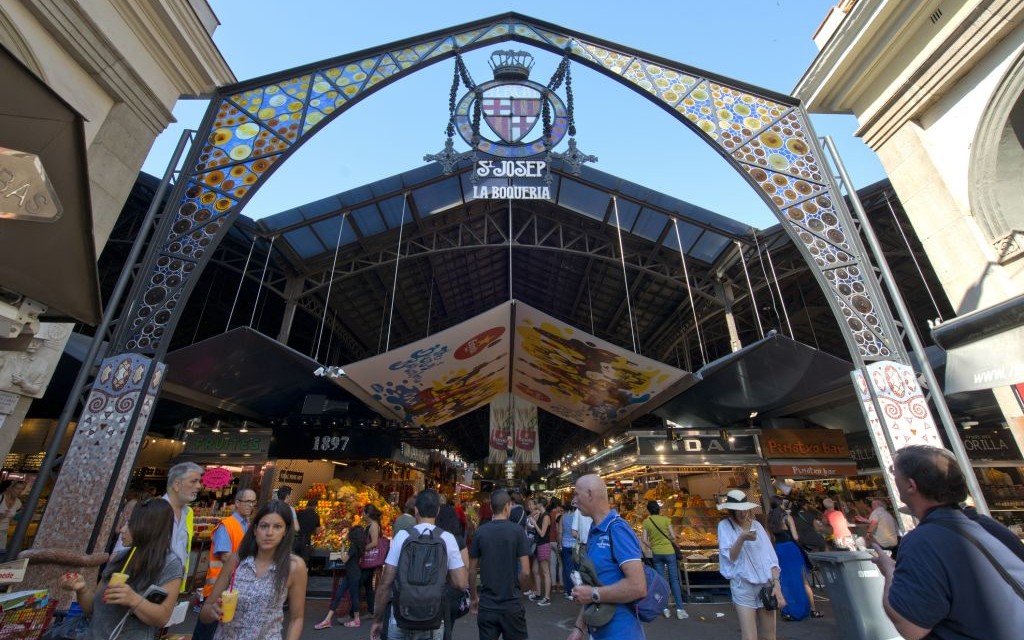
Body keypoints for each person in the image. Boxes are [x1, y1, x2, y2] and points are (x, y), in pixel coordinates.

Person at [870, 445, 1024, 639]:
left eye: (895, 475)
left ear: (911, 485)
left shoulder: (922, 541)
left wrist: (889, 571)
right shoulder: (988, 526)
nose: (894, 480)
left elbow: (910, 627)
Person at [59, 499, 184, 640]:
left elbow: (162, 618)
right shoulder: (120, 559)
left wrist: (133, 599)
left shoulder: (169, 564)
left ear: (147, 528)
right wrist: (81, 589)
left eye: (129, 524)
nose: (121, 530)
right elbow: (93, 610)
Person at [369, 488, 468, 640]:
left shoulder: (402, 536)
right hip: (434, 619)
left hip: (400, 617)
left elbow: (385, 583)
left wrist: (377, 619)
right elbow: (461, 583)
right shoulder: (447, 538)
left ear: (416, 510)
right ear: (438, 511)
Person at [200, 500, 307, 640]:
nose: (269, 533)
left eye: (277, 527)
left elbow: (296, 618)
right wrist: (212, 611)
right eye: (264, 526)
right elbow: (205, 613)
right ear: (255, 529)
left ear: (285, 531)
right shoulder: (237, 560)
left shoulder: (294, 566)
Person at [567, 474, 646, 640]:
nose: (573, 501)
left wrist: (594, 594)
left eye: (576, 494)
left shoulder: (617, 529)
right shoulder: (595, 530)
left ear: (589, 494)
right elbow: (593, 584)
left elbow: (638, 586)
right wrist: (579, 628)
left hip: (621, 633)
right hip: (598, 631)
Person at [717, 489, 785, 640]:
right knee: (749, 636)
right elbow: (730, 557)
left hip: (766, 584)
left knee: (770, 635)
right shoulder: (725, 526)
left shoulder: (758, 526)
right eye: (739, 510)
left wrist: (777, 584)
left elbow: (771, 557)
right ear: (731, 510)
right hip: (743, 585)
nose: (743, 513)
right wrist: (741, 538)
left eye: (745, 509)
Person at [193, 489, 258, 640]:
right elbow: (225, 556)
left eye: (253, 502)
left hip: (234, 589)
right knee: (208, 632)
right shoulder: (226, 525)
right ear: (237, 503)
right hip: (218, 590)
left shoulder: (248, 526)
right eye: (247, 501)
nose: (250, 505)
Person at [469, 489, 531, 640]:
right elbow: (525, 572)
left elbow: (471, 570)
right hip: (512, 605)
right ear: (507, 506)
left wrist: (474, 597)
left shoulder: (480, 532)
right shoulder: (517, 531)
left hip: (487, 605)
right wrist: (518, 590)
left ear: (491, 508)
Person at [766, 497, 819, 622]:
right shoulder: (787, 517)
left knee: (784, 580)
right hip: (791, 548)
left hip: (779, 550)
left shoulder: (769, 518)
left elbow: (769, 538)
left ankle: (786, 611)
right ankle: (812, 609)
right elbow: (795, 536)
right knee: (803, 580)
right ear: (781, 504)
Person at [641, 500, 686, 620]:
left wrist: (653, 546)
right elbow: (672, 535)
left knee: (661, 581)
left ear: (649, 510)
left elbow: (644, 539)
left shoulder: (647, 522)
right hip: (669, 552)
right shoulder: (666, 520)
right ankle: (680, 609)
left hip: (657, 554)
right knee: (674, 580)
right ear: (658, 509)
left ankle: (664, 608)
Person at [315, 524, 366, 629]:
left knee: (352, 596)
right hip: (353, 574)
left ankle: (356, 620)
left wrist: (342, 548)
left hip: (352, 575)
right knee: (340, 595)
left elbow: (344, 559)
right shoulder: (360, 547)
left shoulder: (353, 547)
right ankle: (327, 620)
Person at [436, 503, 470, 640]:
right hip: (453, 591)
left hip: (432, 589)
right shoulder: (457, 539)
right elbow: (466, 566)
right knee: (447, 628)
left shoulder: (433, 536)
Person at [528, 498, 553, 606]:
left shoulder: (546, 516)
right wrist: (534, 518)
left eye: (536, 503)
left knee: (545, 571)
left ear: (539, 504)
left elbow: (542, 533)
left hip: (543, 544)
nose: (534, 505)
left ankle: (547, 597)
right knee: (535, 570)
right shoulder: (541, 515)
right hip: (539, 545)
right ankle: (538, 593)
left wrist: (535, 523)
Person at [362, 503, 384, 618]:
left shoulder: (374, 525)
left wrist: (363, 549)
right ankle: (371, 611)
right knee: (368, 586)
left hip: (370, 559)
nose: (361, 514)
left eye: (363, 512)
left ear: (367, 514)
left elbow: (375, 542)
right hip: (370, 559)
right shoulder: (372, 524)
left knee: (359, 583)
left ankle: (352, 614)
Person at [0, 479, 25, 549]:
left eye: (22, 489)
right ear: (10, 488)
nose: (20, 491)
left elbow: (17, 517)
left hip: (3, 532)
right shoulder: (1, 498)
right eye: (17, 488)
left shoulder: (18, 502)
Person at [559, 502, 577, 600]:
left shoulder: (563, 517)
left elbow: (560, 532)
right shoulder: (576, 516)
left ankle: (568, 590)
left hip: (565, 544)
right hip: (575, 545)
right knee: (576, 568)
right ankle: (576, 589)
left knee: (567, 567)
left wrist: (559, 543)